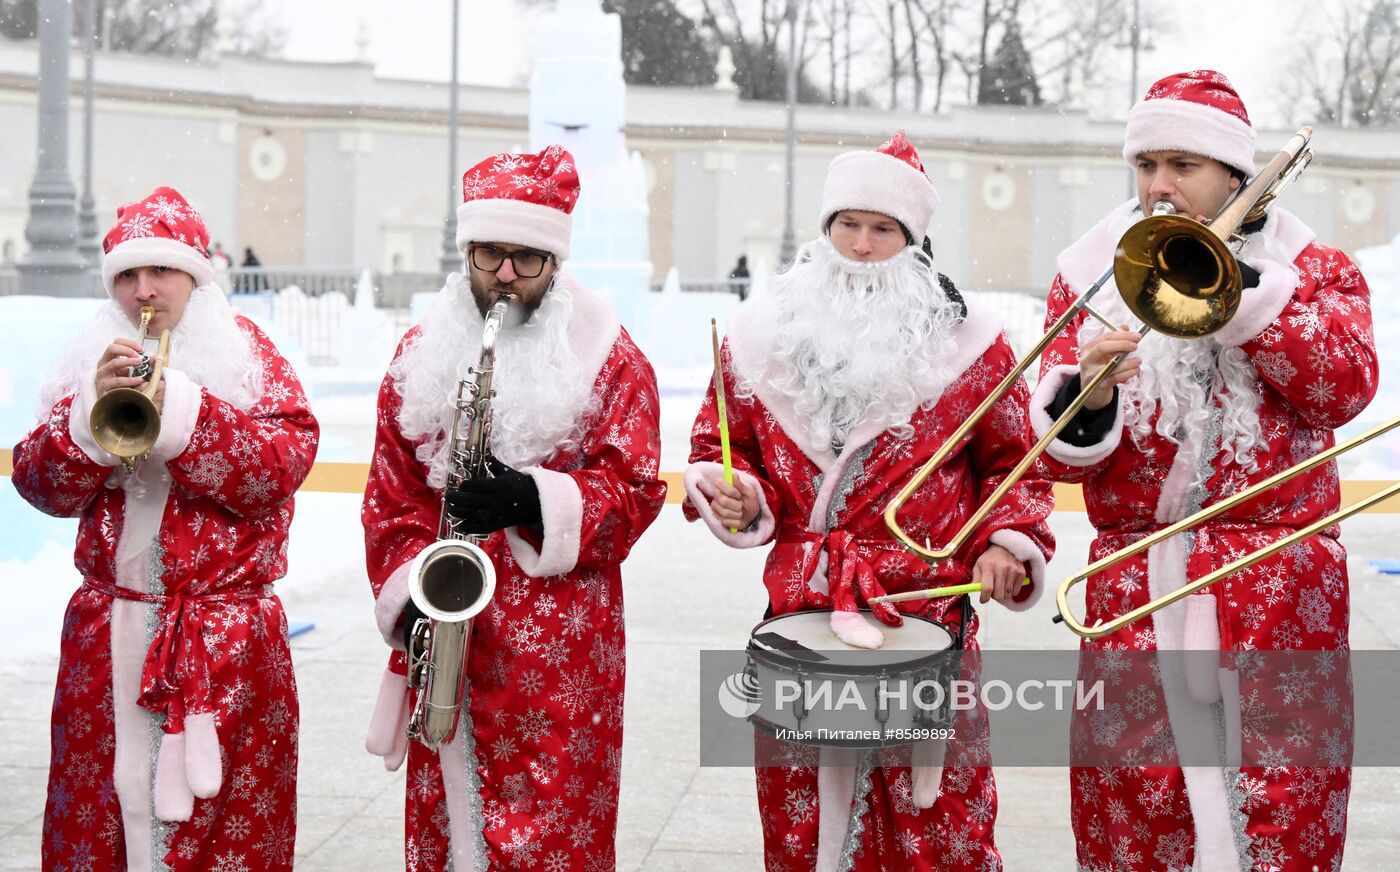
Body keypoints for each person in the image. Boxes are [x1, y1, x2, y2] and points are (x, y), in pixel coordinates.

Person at [1031, 71, 1375, 869]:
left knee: (1283, 807)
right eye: (1146, 164)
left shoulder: (1311, 268)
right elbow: (1056, 456)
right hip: (1136, 586)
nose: (1158, 185)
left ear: (1234, 173)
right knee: (1132, 806)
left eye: (1181, 164)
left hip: (1279, 587)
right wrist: (1087, 396)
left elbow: (1346, 387)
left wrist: (1244, 300)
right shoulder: (1090, 270)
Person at [684, 131, 1055, 871]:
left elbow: (1018, 465)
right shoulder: (759, 338)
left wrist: (1005, 545)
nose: (861, 245)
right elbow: (720, 442)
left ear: (914, 242)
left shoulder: (973, 348)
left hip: (926, 615)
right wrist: (733, 492)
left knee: (937, 820)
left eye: (882, 230)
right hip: (802, 609)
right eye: (847, 225)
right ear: (823, 233)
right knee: (800, 816)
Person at [361, 145, 667, 871]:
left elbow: (638, 488)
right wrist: (410, 592)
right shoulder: (421, 351)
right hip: (451, 627)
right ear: (466, 250)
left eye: (525, 258)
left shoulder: (612, 357)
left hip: (563, 651)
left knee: (555, 833)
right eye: (489, 254)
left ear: (554, 263)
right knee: (450, 821)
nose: (504, 274)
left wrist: (539, 499)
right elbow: (391, 491)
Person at [11, 186, 319, 871]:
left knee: (227, 827)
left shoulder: (249, 358)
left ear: (196, 278)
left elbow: (280, 467)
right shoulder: (86, 360)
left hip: (224, 646)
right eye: (126, 275)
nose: (142, 290)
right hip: (107, 641)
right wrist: (89, 420)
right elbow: (36, 483)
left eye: (161, 272)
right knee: (98, 819)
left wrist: (184, 414)